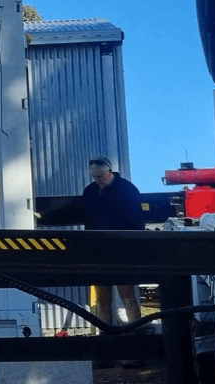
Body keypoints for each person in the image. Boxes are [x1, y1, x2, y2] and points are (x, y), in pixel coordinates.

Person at [82, 155, 146, 369]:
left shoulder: (126, 190)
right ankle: (105, 354)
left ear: (109, 171)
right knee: (102, 302)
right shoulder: (90, 191)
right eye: (94, 176)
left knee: (128, 299)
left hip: (122, 253)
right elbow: (87, 221)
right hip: (98, 254)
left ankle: (135, 352)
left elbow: (137, 224)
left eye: (100, 175)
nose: (98, 179)